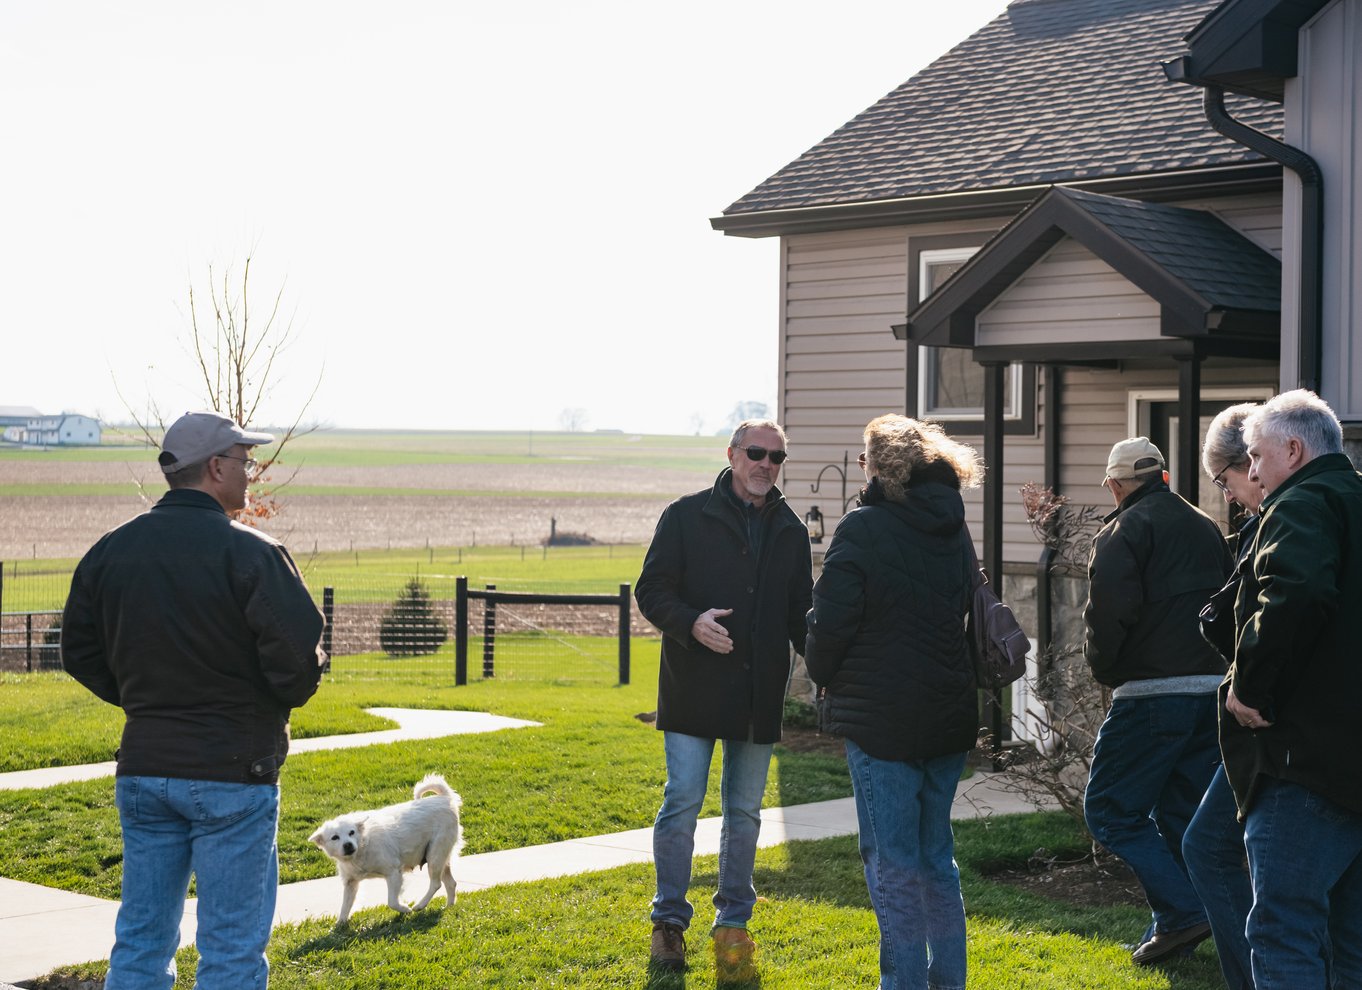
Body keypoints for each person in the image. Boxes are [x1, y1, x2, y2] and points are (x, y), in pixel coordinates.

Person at [61, 410, 327, 990]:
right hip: (234, 772)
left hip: (145, 770)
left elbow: (78, 652)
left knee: (141, 941)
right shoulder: (253, 553)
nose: (251, 471)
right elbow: (298, 669)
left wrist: (143, 700)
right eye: (245, 460)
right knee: (230, 949)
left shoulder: (111, 550)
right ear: (215, 467)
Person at [805, 414, 983, 990]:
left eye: (865, 460)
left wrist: (819, 670)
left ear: (881, 466)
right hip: (947, 713)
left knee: (892, 864)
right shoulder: (953, 525)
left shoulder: (861, 528)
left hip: (882, 720)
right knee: (935, 857)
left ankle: (902, 983)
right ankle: (947, 982)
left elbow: (829, 626)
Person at [635, 418, 813, 981]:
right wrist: (690, 622)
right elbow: (651, 591)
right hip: (692, 686)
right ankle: (669, 923)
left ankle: (733, 920)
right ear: (732, 455)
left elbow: (801, 616)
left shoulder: (790, 529)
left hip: (759, 693)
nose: (766, 464)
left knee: (743, 813)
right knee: (682, 800)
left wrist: (837, 668)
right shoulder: (685, 516)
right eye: (756, 453)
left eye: (776, 457)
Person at [1223, 389, 1362, 988]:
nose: (1251, 471)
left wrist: (1249, 688)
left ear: (1293, 449)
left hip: (1301, 758)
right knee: (1350, 939)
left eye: (1255, 456)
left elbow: (1295, 593)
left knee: (1282, 927)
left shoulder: (1301, 502)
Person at [1082, 436, 1231, 967]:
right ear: (1162, 476)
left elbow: (1108, 615)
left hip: (1150, 695)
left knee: (1109, 811)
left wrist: (1107, 670)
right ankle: (1182, 929)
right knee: (1182, 817)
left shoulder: (1123, 529)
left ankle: (1182, 915)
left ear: (1117, 484)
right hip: (1210, 692)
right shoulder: (1206, 527)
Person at [1182, 404, 1263, 990]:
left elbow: (1282, 613)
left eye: (1224, 481)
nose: (1229, 497)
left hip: (1271, 723)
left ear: (1254, 463)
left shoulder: (1282, 522)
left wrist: (1246, 684)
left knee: (1208, 846)